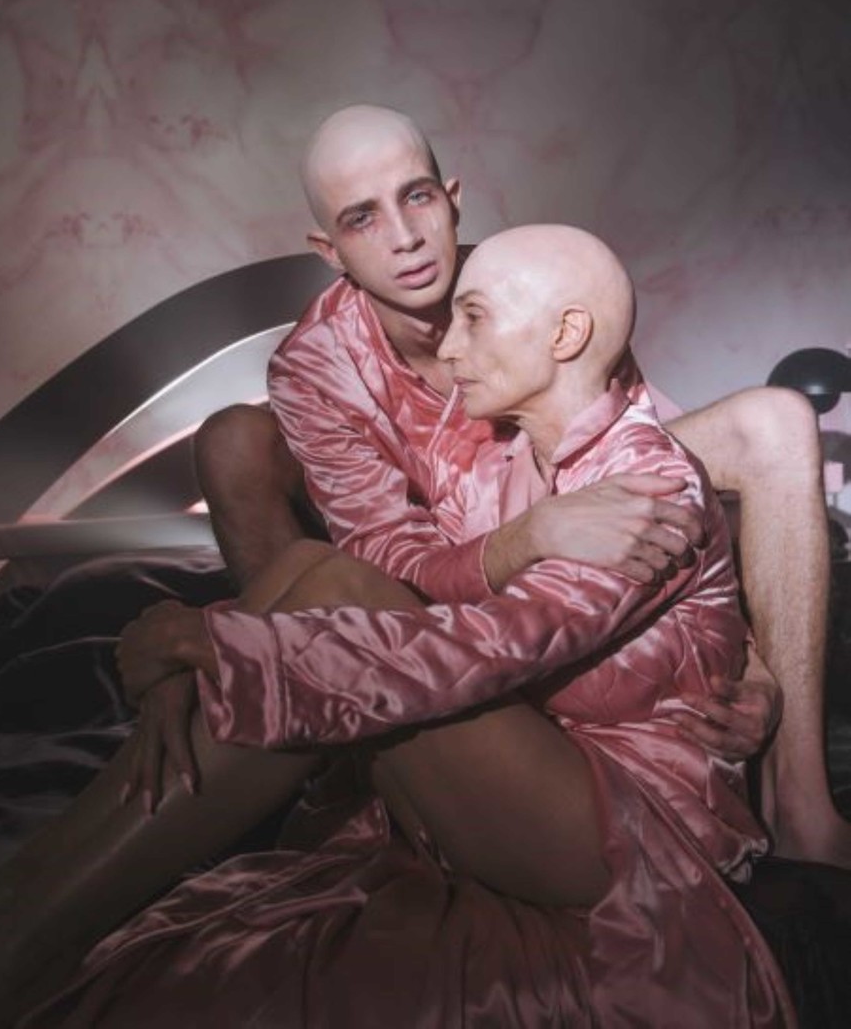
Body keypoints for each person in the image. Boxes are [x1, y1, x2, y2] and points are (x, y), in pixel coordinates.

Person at [5, 225, 794, 1027]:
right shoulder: (497, 458)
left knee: (310, 610)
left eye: (473, 319)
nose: (447, 349)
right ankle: (21, 911)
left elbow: (490, 646)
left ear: (565, 334)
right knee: (322, 572)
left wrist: (209, 641)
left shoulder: (646, 487)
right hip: (532, 761)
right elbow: (406, 573)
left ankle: (18, 935)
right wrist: (216, 641)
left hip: (627, 827)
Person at [191, 104, 841, 868]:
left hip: (548, 522)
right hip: (449, 570)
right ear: (328, 251)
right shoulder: (316, 366)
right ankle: (306, 741)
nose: (404, 238)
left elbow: (639, 457)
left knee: (774, 421)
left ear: (451, 199)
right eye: (363, 219)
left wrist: (754, 667)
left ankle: (802, 800)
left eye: (416, 197)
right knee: (237, 445)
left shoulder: (530, 281)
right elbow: (384, 560)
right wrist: (530, 536)